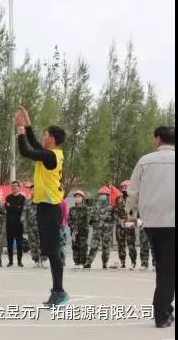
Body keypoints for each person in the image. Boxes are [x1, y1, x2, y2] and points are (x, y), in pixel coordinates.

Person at [15, 106, 69, 306]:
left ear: (52, 139)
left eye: (45, 134)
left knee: (53, 251)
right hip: (45, 207)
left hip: (51, 208)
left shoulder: (51, 156)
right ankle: (57, 290)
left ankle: (59, 291)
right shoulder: (51, 154)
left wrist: (20, 130)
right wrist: (28, 124)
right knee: (49, 250)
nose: (43, 137)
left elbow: (27, 150)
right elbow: (35, 144)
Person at [126, 126, 175, 329]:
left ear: (158, 139)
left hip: (152, 223)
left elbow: (133, 191)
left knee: (163, 266)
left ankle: (164, 309)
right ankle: (161, 314)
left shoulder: (145, 161)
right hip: (173, 223)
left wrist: (131, 214)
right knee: (168, 269)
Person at [84, 187, 115, 270]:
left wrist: (101, 217)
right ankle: (88, 263)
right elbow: (91, 216)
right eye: (101, 194)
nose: (102, 196)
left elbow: (112, 218)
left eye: (104, 194)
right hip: (97, 230)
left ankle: (105, 263)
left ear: (107, 196)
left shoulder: (111, 207)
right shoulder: (95, 206)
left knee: (106, 248)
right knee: (93, 246)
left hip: (107, 230)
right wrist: (93, 219)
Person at [23, 185, 47, 268]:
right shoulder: (27, 202)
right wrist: (25, 227)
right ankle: (36, 260)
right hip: (31, 227)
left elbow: (46, 214)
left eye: (34, 189)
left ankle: (42, 260)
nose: (33, 191)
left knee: (42, 244)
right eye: (31, 190)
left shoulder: (42, 202)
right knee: (33, 244)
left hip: (41, 226)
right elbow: (24, 215)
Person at [115, 180, 137, 269]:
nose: (124, 189)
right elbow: (115, 212)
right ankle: (122, 262)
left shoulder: (133, 199)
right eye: (122, 187)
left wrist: (132, 218)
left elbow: (136, 211)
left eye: (126, 187)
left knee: (131, 244)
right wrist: (119, 220)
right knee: (121, 245)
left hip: (130, 225)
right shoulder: (118, 199)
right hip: (120, 226)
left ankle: (133, 262)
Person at [5, 180, 26, 267]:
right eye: (12, 186)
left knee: (19, 243)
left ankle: (19, 261)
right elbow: (7, 208)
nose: (13, 188)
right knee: (9, 243)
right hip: (9, 224)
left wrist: (11, 207)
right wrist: (16, 207)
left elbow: (21, 209)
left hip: (19, 224)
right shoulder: (8, 197)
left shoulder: (22, 198)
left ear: (19, 187)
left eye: (15, 186)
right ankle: (10, 261)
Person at [68, 190, 90, 270]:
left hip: (83, 232)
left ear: (82, 198)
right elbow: (69, 220)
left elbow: (87, 220)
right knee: (75, 246)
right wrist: (73, 227)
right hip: (74, 232)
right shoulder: (72, 209)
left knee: (83, 247)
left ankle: (82, 262)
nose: (77, 198)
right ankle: (76, 262)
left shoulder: (86, 209)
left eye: (79, 197)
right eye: (76, 197)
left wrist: (81, 228)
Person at [58, 199, 69, 267]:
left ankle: (62, 259)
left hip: (61, 225)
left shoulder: (63, 201)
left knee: (61, 243)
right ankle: (57, 260)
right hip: (53, 225)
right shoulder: (52, 200)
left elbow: (66, 213)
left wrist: (63, 223)